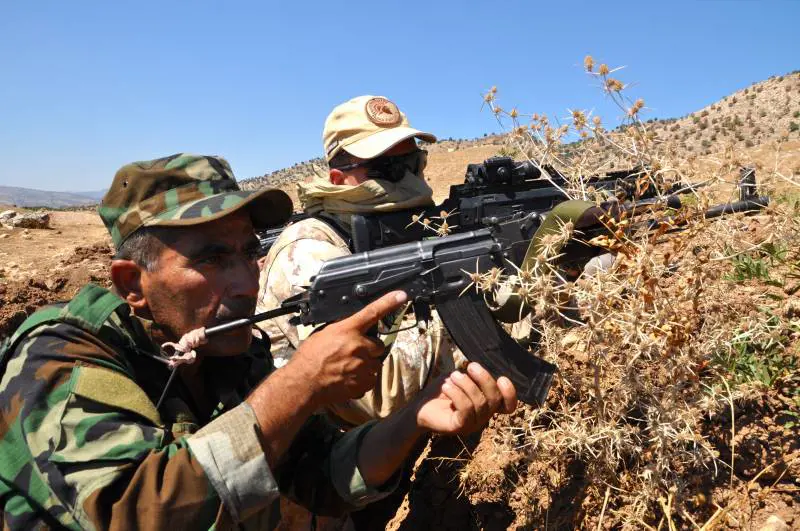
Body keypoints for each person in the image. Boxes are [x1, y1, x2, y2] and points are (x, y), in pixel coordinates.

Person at [0, 153, 517, 530]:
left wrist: (413, 417)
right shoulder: (58, 361)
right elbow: (136, 513)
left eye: (249, 253)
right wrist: (298, 385)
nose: (248, 282)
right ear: (132, 284)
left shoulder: (226, 353)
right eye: (210, 260)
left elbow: (320, 475)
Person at [258, 95, 464, 428]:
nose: (408, 180)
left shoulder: (411, 227)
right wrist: (476, 291)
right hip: (335, 461)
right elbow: (374, 397)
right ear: (339, 179)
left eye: (413, 164)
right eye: (388, 170)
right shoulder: (307, 249)